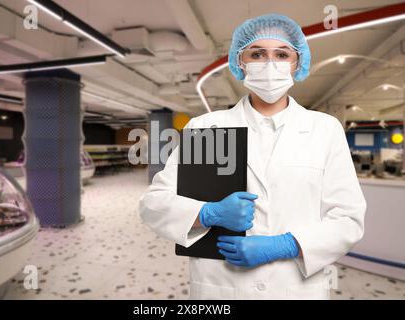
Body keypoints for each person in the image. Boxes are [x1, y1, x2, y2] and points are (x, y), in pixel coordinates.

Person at [139, 14, 366, 299]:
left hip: (296, 288)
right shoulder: (206, 127)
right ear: (240, 62)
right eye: (257, 53)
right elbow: (153, 204)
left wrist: (286, 244)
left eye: (282, 54)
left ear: (297, 63)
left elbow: (349, 219)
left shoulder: (325, 129)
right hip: (221, 289)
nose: (270, 64)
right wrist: (208, 213)